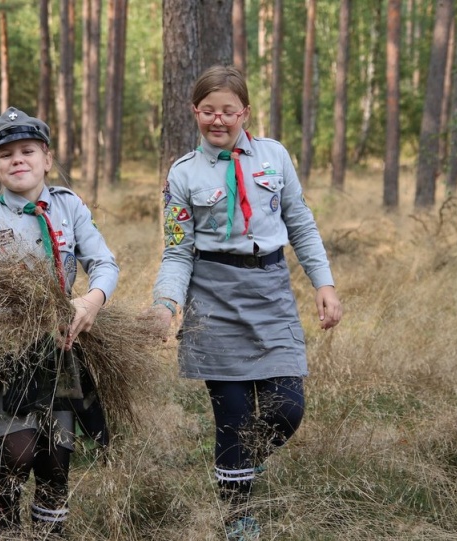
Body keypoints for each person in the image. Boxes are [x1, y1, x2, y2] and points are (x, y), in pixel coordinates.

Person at [150, 65, 342, 540]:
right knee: (232, 415)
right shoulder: (182, 175)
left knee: (288, 408)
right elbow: (177, 250)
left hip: (271, 290)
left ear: (245, 112)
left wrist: (324, 283)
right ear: (195, 112)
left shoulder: (274, 156)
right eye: (209, 111)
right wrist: (165, 303)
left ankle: (238, 467)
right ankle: (236, 516)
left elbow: (299, 221)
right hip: (212, 299)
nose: (219, 120)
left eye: (228, 111)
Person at [0, 107, 119, 537]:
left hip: (62, 349)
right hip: (7, 350)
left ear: (47, 159)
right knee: (19, 449)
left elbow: (103, 262)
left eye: (28, 150)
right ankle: (6, 524)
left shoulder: (69, 207)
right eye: (6, 154)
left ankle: (50, 532)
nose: (18, 160)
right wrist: (24, 315)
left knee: (55, 455)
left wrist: (92, 300)